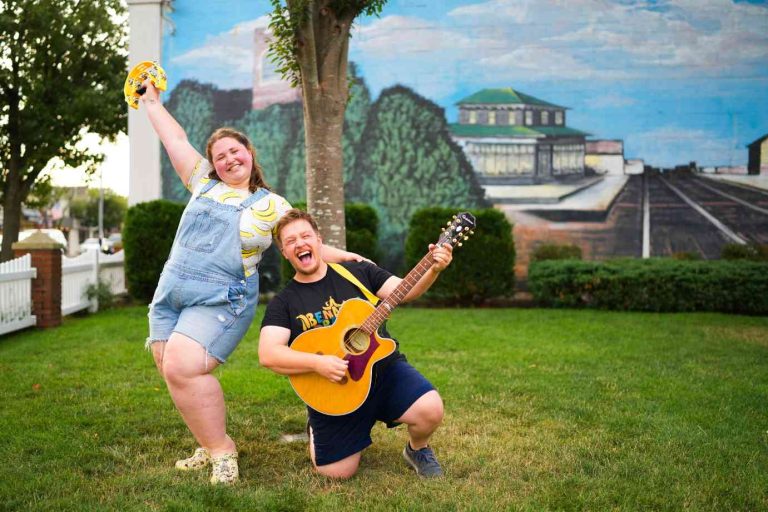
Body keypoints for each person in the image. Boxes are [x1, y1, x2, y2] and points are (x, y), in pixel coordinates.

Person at [138, 80, 364, 485]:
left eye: (234, 151)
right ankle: (207, 444)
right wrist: (150, 101)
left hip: (222, 299)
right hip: (171, 293)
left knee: (184, 366)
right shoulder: (201, 182)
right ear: (212, 164)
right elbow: (174, 137)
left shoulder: (270, 206)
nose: (227, 159)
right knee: (171, 369)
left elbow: (300, 240)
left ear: (249, 153)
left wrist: (343, 257)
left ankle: (223, 452)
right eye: (219, 156)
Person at [258, 209, 453, 479]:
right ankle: (317, 427)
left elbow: (406, 290)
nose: (300, 244)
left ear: (319, 241)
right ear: (284, 253)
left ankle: (417, 449)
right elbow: (268, 354)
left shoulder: (358, 272)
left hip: (382, 371)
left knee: (430, 408)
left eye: (306, 236)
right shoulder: (285, 302)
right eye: (290, 241)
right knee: (336, 472)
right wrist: (319, 363)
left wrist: (434, 268)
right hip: (334, 389)